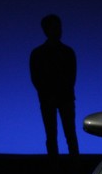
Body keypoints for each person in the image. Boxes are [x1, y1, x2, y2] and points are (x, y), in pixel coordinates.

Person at [29, 14, 79, 157]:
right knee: (52, 135)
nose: (58, 31)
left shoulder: (67, 52)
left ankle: (74, 164)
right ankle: (55, 165)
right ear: (46, 30)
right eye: (54, 27)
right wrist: (48, 94)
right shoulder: (38, 54)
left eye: (59, 27)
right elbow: (36, 78)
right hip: (49, 100)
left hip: (65, 99)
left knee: (70, 134)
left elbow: (72, 76)